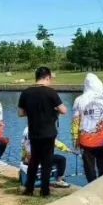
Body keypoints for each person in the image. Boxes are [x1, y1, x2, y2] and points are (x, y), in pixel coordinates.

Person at [17, 66, 67, 197]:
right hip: (49, 132)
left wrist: (33, 111)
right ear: (47, 77)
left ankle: (29, 189)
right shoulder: (51, 93)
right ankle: (45, 191)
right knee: (47, 162)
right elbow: (64, 110)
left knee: (34, 160)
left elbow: (20, 113)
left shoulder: (26, 92)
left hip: (34, 132)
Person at [71, 73, 103, 183]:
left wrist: (75, 138)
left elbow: (75, 122)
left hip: (85, 141)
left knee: (89, 167)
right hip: (102, 140)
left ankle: (91, 187)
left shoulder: (78, 100)